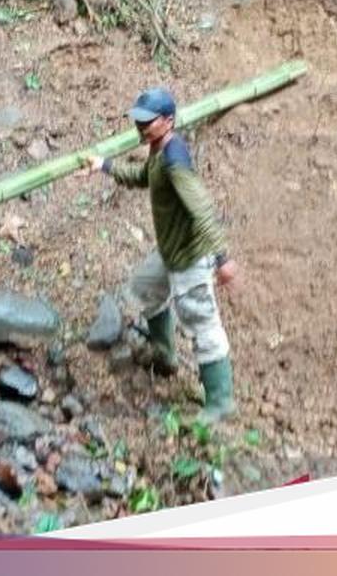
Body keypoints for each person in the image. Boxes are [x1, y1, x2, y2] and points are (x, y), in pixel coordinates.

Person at [83, 87, 239, 420]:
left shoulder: (174, 160)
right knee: (144, 288)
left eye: (148, 122)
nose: (140, 127)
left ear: (168, 121)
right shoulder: (157, 150)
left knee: (202, 324)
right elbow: (143, 177)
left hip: (191, 256)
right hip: (169, 252)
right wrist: (104, 166)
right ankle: (164, 354)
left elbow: (202, 207)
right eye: (138, 121)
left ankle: (220, 402)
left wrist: (222, 257)